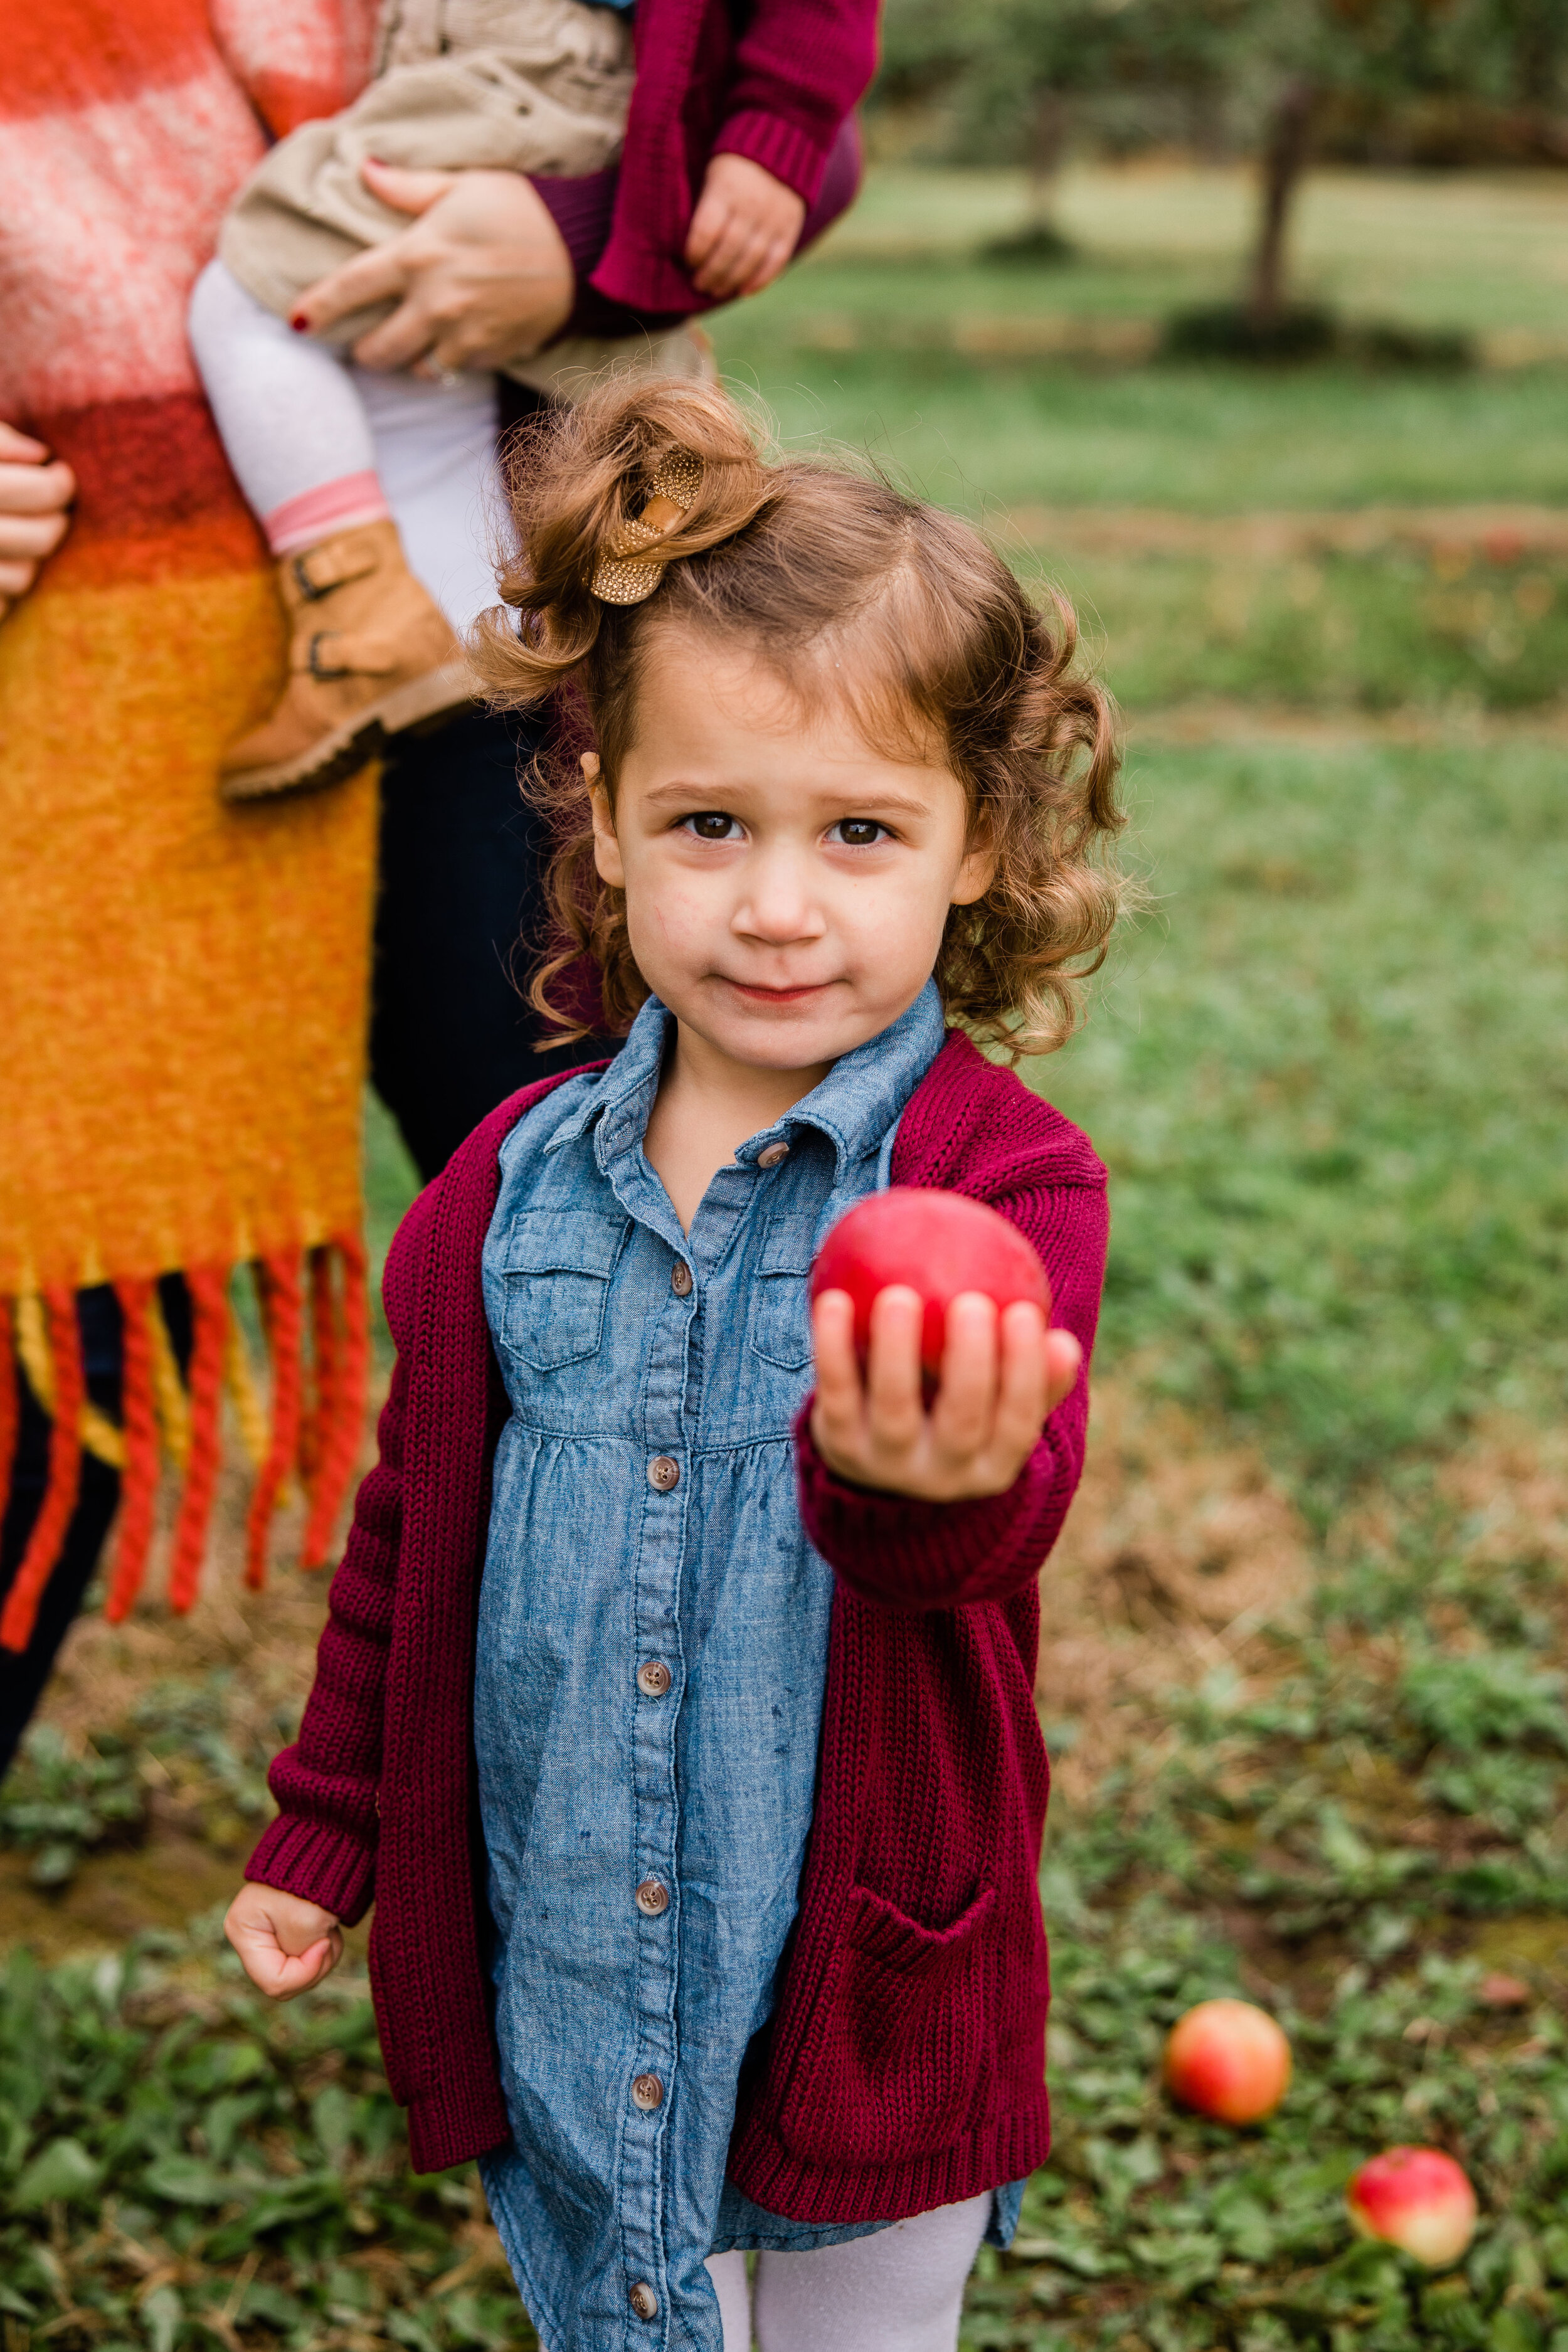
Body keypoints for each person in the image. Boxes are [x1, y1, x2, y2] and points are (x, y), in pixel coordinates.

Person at [223, 376, 1128, 2352]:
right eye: (707, 822)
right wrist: (329, 1820)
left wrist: (930, 1470)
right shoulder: (497, 1189)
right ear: (608, 825)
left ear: (973, 849)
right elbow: (412, 1531)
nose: (775, 902)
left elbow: (977, 1549)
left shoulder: (994, 1177)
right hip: (571, 1942)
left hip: (850, 1973)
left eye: (860, 830)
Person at [187, 0, 860, 800]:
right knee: (424, 379)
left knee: (251, 296)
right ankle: (664, 444)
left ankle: (363, 609)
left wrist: (768, 139)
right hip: (529, 78)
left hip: (528, 66)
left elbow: (826, 97)